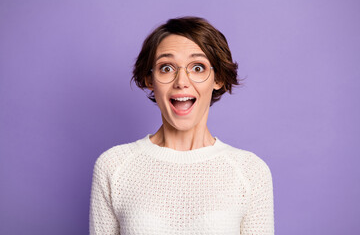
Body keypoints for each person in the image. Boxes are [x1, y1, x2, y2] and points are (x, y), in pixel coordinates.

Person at [89, 17, 274, 235]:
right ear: (150, 79)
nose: (181, 81)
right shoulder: (114, 166)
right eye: (166, 68)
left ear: (218, 78)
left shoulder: (250, 171)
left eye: (197, 67)